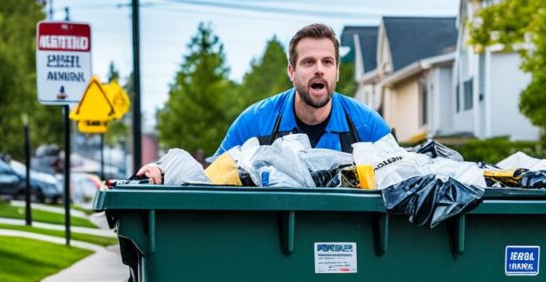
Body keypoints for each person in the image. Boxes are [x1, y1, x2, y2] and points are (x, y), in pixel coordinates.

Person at [137, 23, 390, 184]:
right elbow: (211, 176)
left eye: (327, 62)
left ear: (337, 72)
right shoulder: (256, 123)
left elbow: (404, 179)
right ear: (291, 71)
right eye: (308, 62)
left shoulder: (367, 127)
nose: (319, 70)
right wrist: (163, 170)